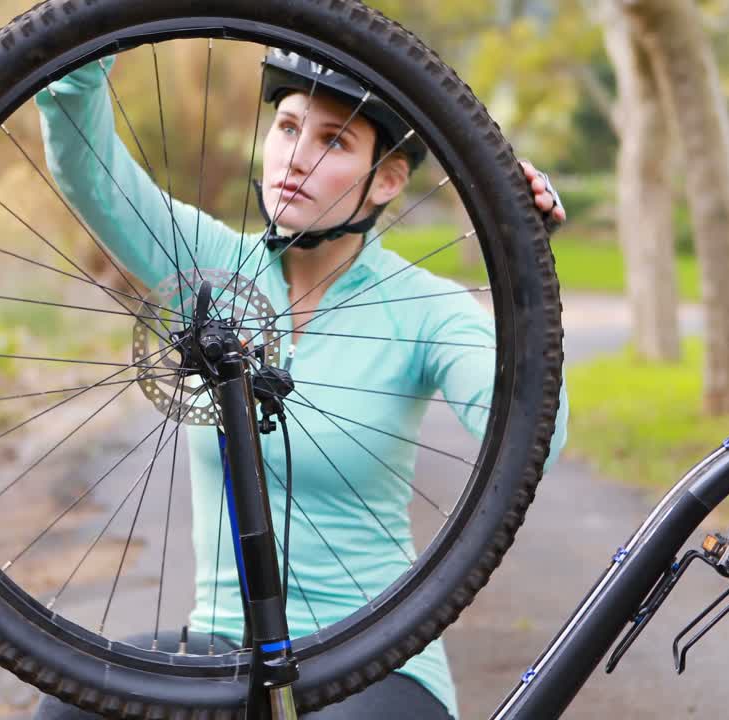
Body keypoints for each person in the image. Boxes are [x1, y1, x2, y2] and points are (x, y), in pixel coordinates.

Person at [31, 48, 569, 719]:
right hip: (228, 645)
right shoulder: (214, 265)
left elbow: (534, 435)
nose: (297, 156)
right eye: (287, 128)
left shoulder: (427, 306)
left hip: (379, 656)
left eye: (333, 140)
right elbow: (92, 175)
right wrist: (89, 43)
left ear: (387, 180)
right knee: (72, 707)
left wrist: (525, 272)